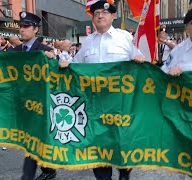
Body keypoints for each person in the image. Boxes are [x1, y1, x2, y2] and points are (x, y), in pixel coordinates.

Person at [60, 1, 145, 180]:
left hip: (119, 104)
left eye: (104, 12)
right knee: (97, 145)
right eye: (96, 13)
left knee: (121, 144)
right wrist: (66, 63)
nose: (100, 15)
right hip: (94, 105)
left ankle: (124, 173)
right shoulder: (88, 42)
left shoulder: (125, 38)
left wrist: (138, 58)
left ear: (113, 16)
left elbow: (139, 61)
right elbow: (77, 66)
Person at [8, 11, 56, 180]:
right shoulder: (14, 52)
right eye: (20, 26)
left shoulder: (45, 50)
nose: (22, 29)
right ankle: (48, 169)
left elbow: (56, 74)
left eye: (26, 26)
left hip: (41, 104)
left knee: (32, 140)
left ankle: (26, 176)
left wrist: (54, 60)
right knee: (34, 139)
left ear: (36, 29)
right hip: (22, 104)